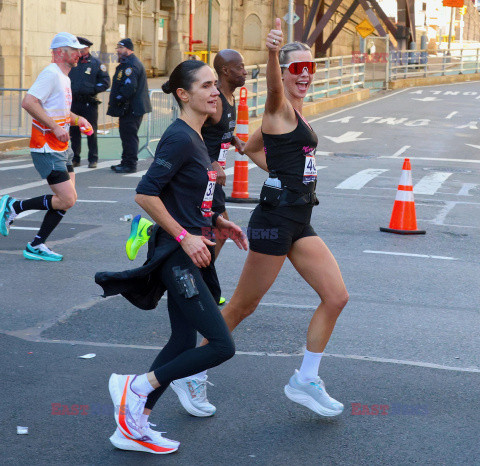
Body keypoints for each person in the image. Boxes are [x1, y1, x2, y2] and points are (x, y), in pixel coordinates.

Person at [174, 20, 349, 418]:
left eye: (310, 68)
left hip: (299, 219)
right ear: (284, 73)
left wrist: (275, 170)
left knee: (336, 296)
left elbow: (251, 145)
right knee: (242, 306)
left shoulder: (295, 112)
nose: (304, 76)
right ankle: (190, 372)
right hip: (274, 222)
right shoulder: (278, 105)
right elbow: (271, 91)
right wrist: (271, 54)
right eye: (296, 69)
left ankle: (305, 379)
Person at [95, 59, 248, 454]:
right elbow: (146, 192)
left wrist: (218, 220)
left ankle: (133, 424)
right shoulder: (180, 137)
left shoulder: (197, 138)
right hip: (177, 255)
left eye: (216, 85)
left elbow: (184, 196)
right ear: (183, 94)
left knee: (182, 339)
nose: (215, 92)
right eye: (206, 86)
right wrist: (184, 236)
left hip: (190, 252)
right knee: (221, 345)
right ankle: (134, 386)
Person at [0, 32, 90, 261]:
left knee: (68, 198)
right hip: (46, 148)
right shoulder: (51, 74)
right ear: (59, 52)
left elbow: (57, 111)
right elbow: (29, 102)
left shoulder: (63, 77)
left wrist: (77, 119)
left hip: (61, 146)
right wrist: (54, 128)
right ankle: (13, 206)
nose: (78, 54)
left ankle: (37, 244)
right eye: (73, 49)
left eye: (79, 50)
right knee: (67, 198)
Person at [200, 49, 247, 306]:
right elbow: (191, 131)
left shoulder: (230, 98)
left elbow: (217, 131)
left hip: (212, 178)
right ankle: (201, 282)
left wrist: (234, 139)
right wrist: (211, 163)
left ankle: (199, 279)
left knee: (212, 230)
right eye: (240, 67)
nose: (245, 71)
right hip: (202, 174)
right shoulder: (215, 99)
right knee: (219, 229)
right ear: (226, 71)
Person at [108, 38, 152, 174]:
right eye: (117, 48)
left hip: (132, 108)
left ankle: (130, 164)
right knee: (126, 136)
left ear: (128, 49)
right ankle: (125, 161)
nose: (118, 51)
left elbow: (129, 87)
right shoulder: (127, 63)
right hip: (129, 108)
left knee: (129, 137)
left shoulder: (131, 65)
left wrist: (118, 98)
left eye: (120, 48)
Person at [69, 36, 111, 168]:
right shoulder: (72, 62)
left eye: (82, 48)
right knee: (74, 132)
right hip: (74, 102)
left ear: (87, 48)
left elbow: (105, 82)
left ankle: (93, 158)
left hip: (89, 102)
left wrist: (92, 89)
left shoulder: (96, 63)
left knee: (90, 131)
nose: (79, 51)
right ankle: (76, 158)